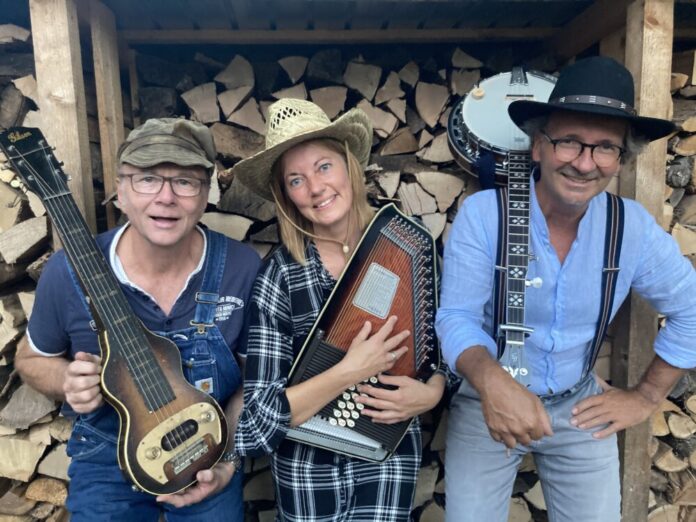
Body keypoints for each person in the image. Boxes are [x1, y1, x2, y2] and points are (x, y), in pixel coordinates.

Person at [437, 56, 696, 522]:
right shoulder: (485, 215)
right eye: (569, 141)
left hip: (579, 406)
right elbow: (456, 317)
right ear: (538, 146)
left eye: (605, 148)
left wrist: (645, 397)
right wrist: (493, 384)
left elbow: (692, 308)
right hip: (485, 395)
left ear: (621, 159)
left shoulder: (630, 228)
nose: (584, 163)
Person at [14, 118, 261, 521]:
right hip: (106, 454)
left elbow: (254, 381)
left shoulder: (242, 267)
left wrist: (228, 460)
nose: (165, 197)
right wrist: (65, 380)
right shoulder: (67, 272)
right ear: (121, 191)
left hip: (205, 449)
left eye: (185, 181)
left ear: (206, 193)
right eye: (147, 179)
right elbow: (31, 360)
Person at [231, 98, 447, 521]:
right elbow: (255, 425)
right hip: (307, 472)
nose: (315, 188)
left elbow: (443, 351)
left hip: (386, 461)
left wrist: (434, 390)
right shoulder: (281, 276)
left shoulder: (407, 245)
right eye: (296, 180)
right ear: (286, 196)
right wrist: (348, 371)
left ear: (350, 166)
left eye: (324, 167)